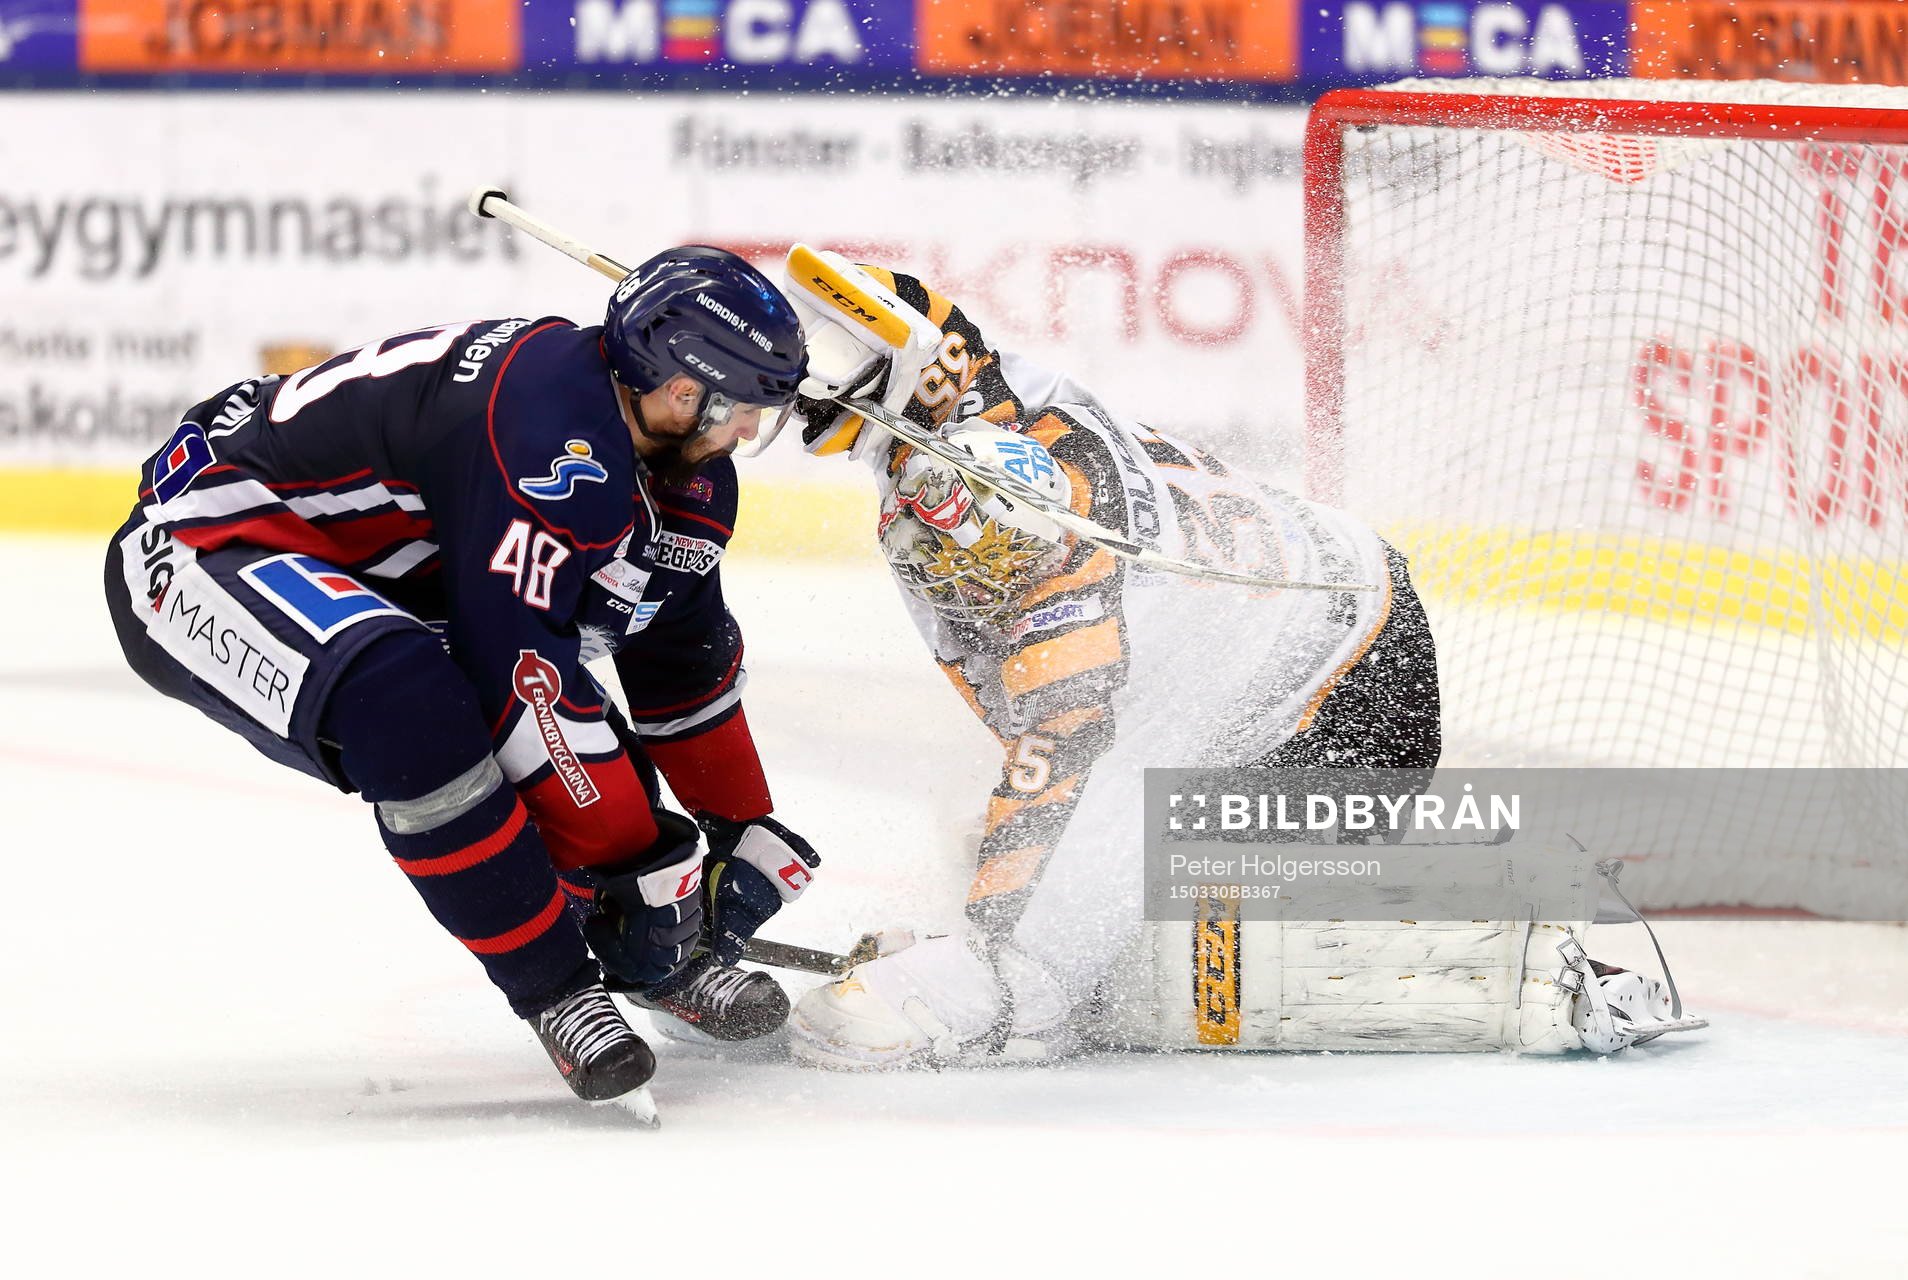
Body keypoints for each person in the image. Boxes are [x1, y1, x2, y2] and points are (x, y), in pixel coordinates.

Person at [771, 252, 1694, 1066]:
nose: (953, 571)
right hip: (1335, 612)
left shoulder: (1070, 601)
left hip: (1343, 697)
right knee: (1066, 868)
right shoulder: (1005, 423)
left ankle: (1526, 964)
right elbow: (932, 349)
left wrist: (992, 968)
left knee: (1123, 948)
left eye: (979, 561)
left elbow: (1065, 780)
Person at [105, 247, 824, 1111]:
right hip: (204, 541)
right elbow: (527, 692)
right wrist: (649, 866)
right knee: (410, 709)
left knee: (531, 705)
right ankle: (559, 988)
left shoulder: (678, 468)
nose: (745, 433)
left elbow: (678, 650)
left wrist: (739, 824)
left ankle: (655, 951)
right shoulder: (549, 442)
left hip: (371, 563)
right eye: (739, 409)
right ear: (678, 387)